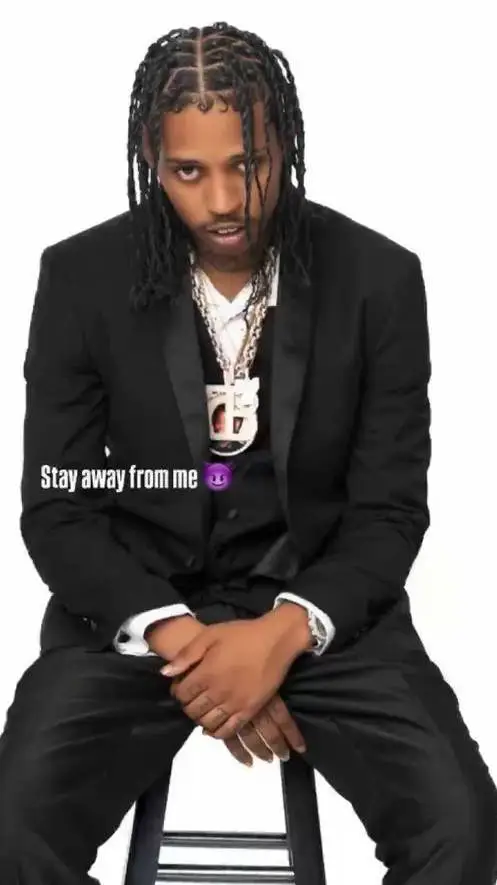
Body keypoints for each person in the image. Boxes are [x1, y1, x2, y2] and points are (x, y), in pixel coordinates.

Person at [1, 20, 496, 885]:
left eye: (249, 163)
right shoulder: (82, 278)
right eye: (189, 171)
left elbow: (387, 510)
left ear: (285, 145)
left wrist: (278, 638)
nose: (225, 200)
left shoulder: (377, 278)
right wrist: (194, 649)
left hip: (324, 612)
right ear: (150, 159)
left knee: (462, 826)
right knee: (10, 827)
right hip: (137, 611)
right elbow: (59, 506)